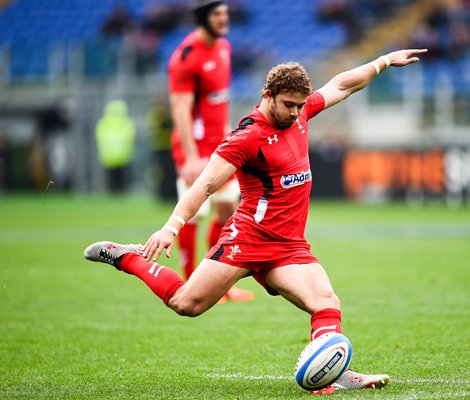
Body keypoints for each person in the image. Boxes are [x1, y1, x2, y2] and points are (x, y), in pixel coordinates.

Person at [84, 48, 427, 393]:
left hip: (288, 246)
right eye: (288, 105)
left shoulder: (301, 112)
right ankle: (127, 257)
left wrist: (382, 62)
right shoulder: (246, 137)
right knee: (186, 304)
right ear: (268, 96)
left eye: (299, 106)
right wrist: (171, 227)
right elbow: (203, 185)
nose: (295, 113)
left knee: (326, 303)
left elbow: (342, 85)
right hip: (246, 240)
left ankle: (332, 375)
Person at [167, 0, 253, 302]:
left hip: (222, 145)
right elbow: (180, 109)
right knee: (193, 215)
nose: (223, 18)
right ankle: (189, 284)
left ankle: (221, 285)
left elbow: (217, 100)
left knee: (228, 210)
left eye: (225, 13)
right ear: (203, 18)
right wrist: (190, 156)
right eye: (217, 14)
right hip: (196, 149)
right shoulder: (186, 57)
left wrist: (228, 129)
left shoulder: (224, 48)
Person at [95, 99, 136, 194]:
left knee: (112, 178)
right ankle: (119, 191)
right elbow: (130, 136)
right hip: (122, 154)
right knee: (120, 178)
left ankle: (112, 191)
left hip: (110, 155)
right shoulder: (126, 122)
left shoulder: (103, 122)